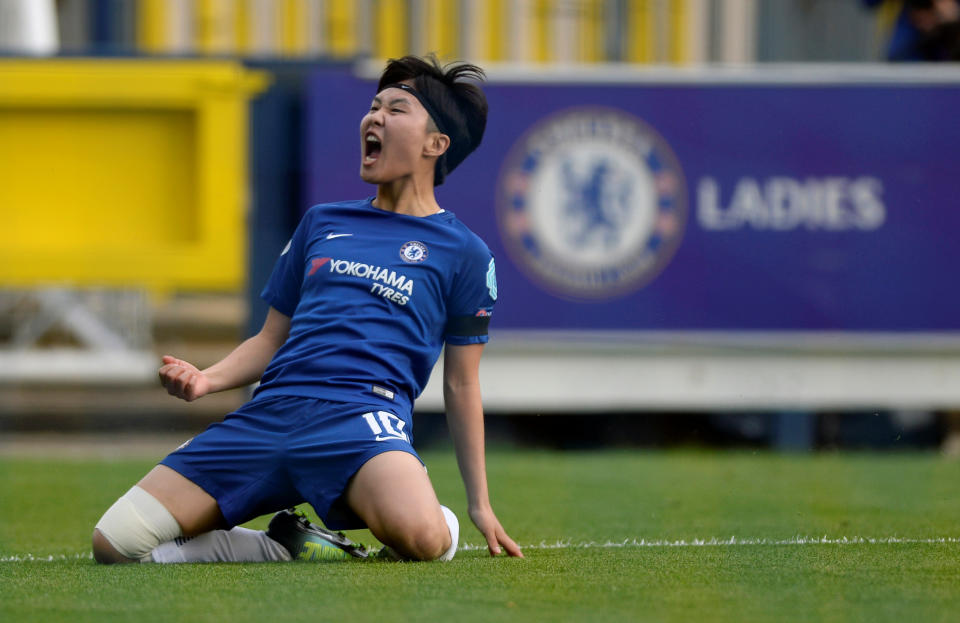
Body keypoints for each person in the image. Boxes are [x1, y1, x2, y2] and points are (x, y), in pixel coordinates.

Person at [91, 54, 523, 564]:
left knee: (425, 541)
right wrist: (207, 380)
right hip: (270, 412)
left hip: (362, 417)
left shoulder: (465, 253)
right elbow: (270, 340)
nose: (375, 118)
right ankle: (282, 548)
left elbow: (461, 383)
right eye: (373, 106)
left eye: (397, 109)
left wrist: (479, 504)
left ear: (436, 144)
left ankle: (434, 515)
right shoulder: (321, 222)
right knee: (115, 544)